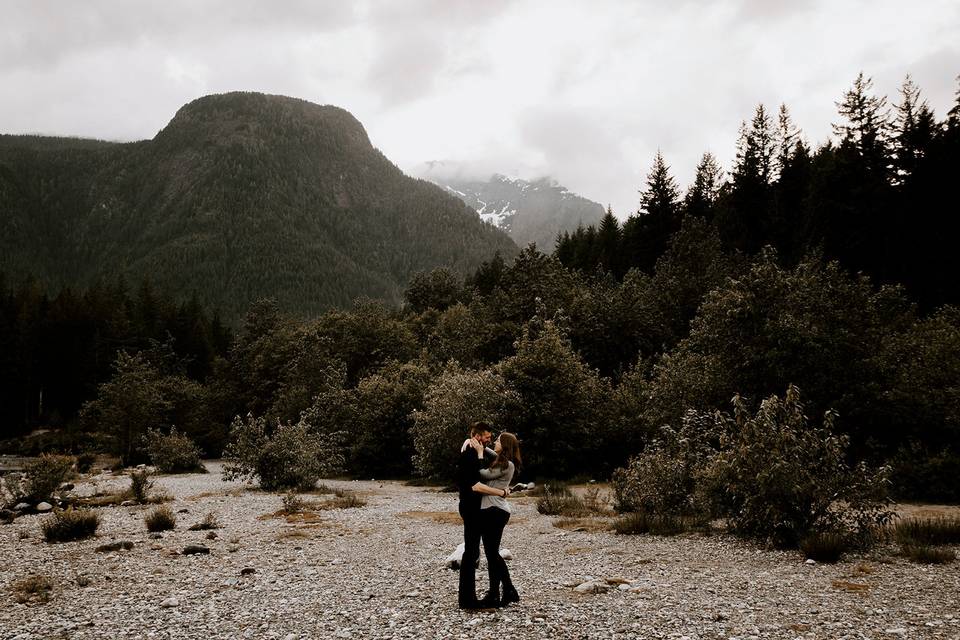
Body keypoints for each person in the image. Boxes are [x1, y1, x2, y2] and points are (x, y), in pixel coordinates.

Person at [455, 422, 509, 609]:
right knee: (471, 552)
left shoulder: (476, 451)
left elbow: (499, 459)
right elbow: (475, 485)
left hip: (475, 507)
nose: (489, 440)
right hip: (471, 507)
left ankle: (472, 598)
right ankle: (467, 601)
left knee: (474, 552)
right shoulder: (469, 454)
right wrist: (501, 493)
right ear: (477, 436)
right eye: (486, 437)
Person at [471, 432, 522, 607]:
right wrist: (480, 445)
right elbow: (491, 453)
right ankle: (505, 591)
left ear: (505, 444)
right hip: (493, 510)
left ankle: (501, 591)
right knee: (492, 554)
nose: (495, 442)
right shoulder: (501, 461)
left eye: (498, 440)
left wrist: (479, 453)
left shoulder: (507, 464)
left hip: (495, 511)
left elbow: (482, 474)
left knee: (492, 554)